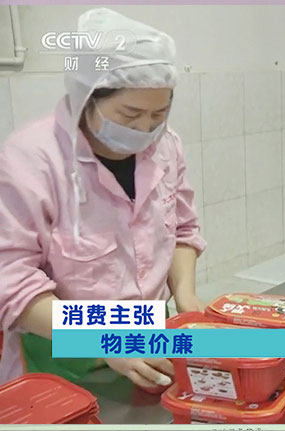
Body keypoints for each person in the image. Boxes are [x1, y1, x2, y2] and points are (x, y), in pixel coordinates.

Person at [0, 9, 206, 390]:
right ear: (87, 98)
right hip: (62, 363)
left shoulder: (166, 146)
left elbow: (183, 230)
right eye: (130, 115)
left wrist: (186, 298)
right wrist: (104, 338)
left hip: (150, 345)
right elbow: (11, 283)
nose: (145, 129)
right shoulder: (32, 159)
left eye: (159, 114)